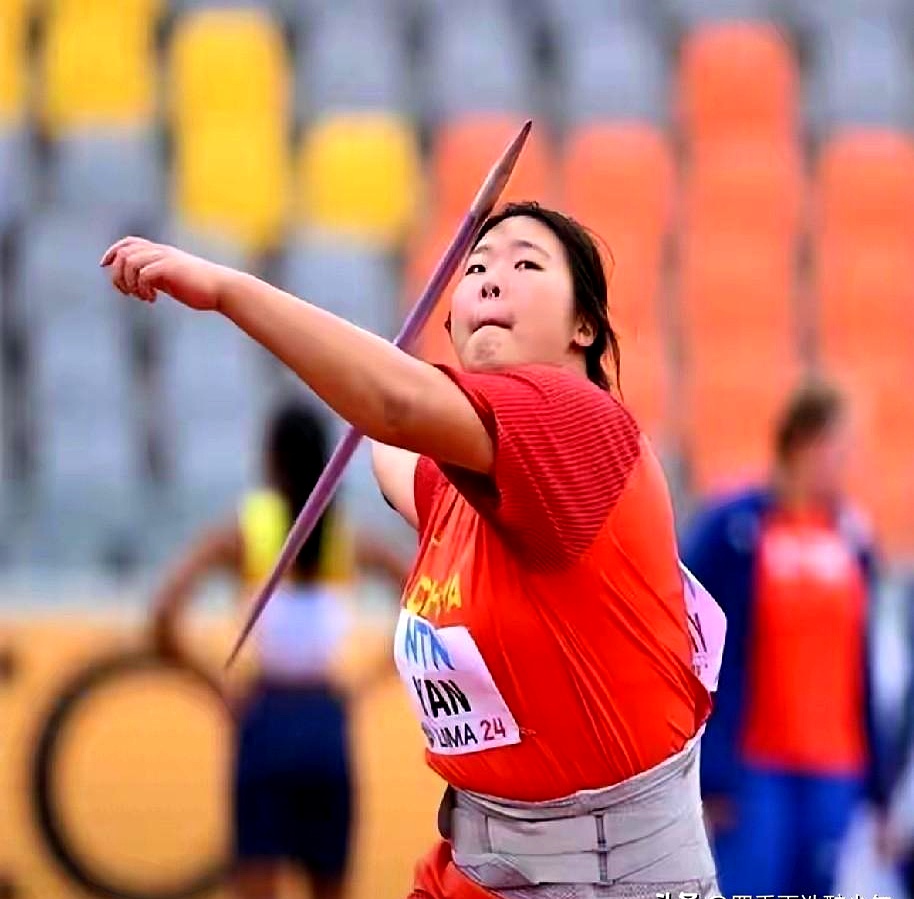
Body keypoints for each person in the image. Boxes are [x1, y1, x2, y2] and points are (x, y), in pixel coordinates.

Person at [102, 200, 725, 899]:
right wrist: (385, 391)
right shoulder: (457, 488)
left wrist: (230, 290)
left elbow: (392, 410)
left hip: (609, 880)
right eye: (477, 267)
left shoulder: (581, 422)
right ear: (452, 320)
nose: (492, 278)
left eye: (526, 264)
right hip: (479, 864)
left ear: (584, 326)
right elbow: (392, 441)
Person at [149, 399, 408, 899]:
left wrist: (215, 685)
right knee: (329, 885)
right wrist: (367, 681)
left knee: (256, 883)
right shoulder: (349, 538)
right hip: (325, 718)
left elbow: (163, 614)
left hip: (263, 715)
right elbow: (425, 603)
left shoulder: (244, 533)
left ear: (271, 461)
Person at [681, 381, 887, 894]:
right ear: (806, 444)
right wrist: (709, 771)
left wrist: (879, 787)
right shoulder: (733, 528)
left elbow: (862, 665)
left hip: (836, 766)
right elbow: (693, 643)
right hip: (755, 767)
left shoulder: (852, 538)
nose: (850, 464)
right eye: (843, 449)